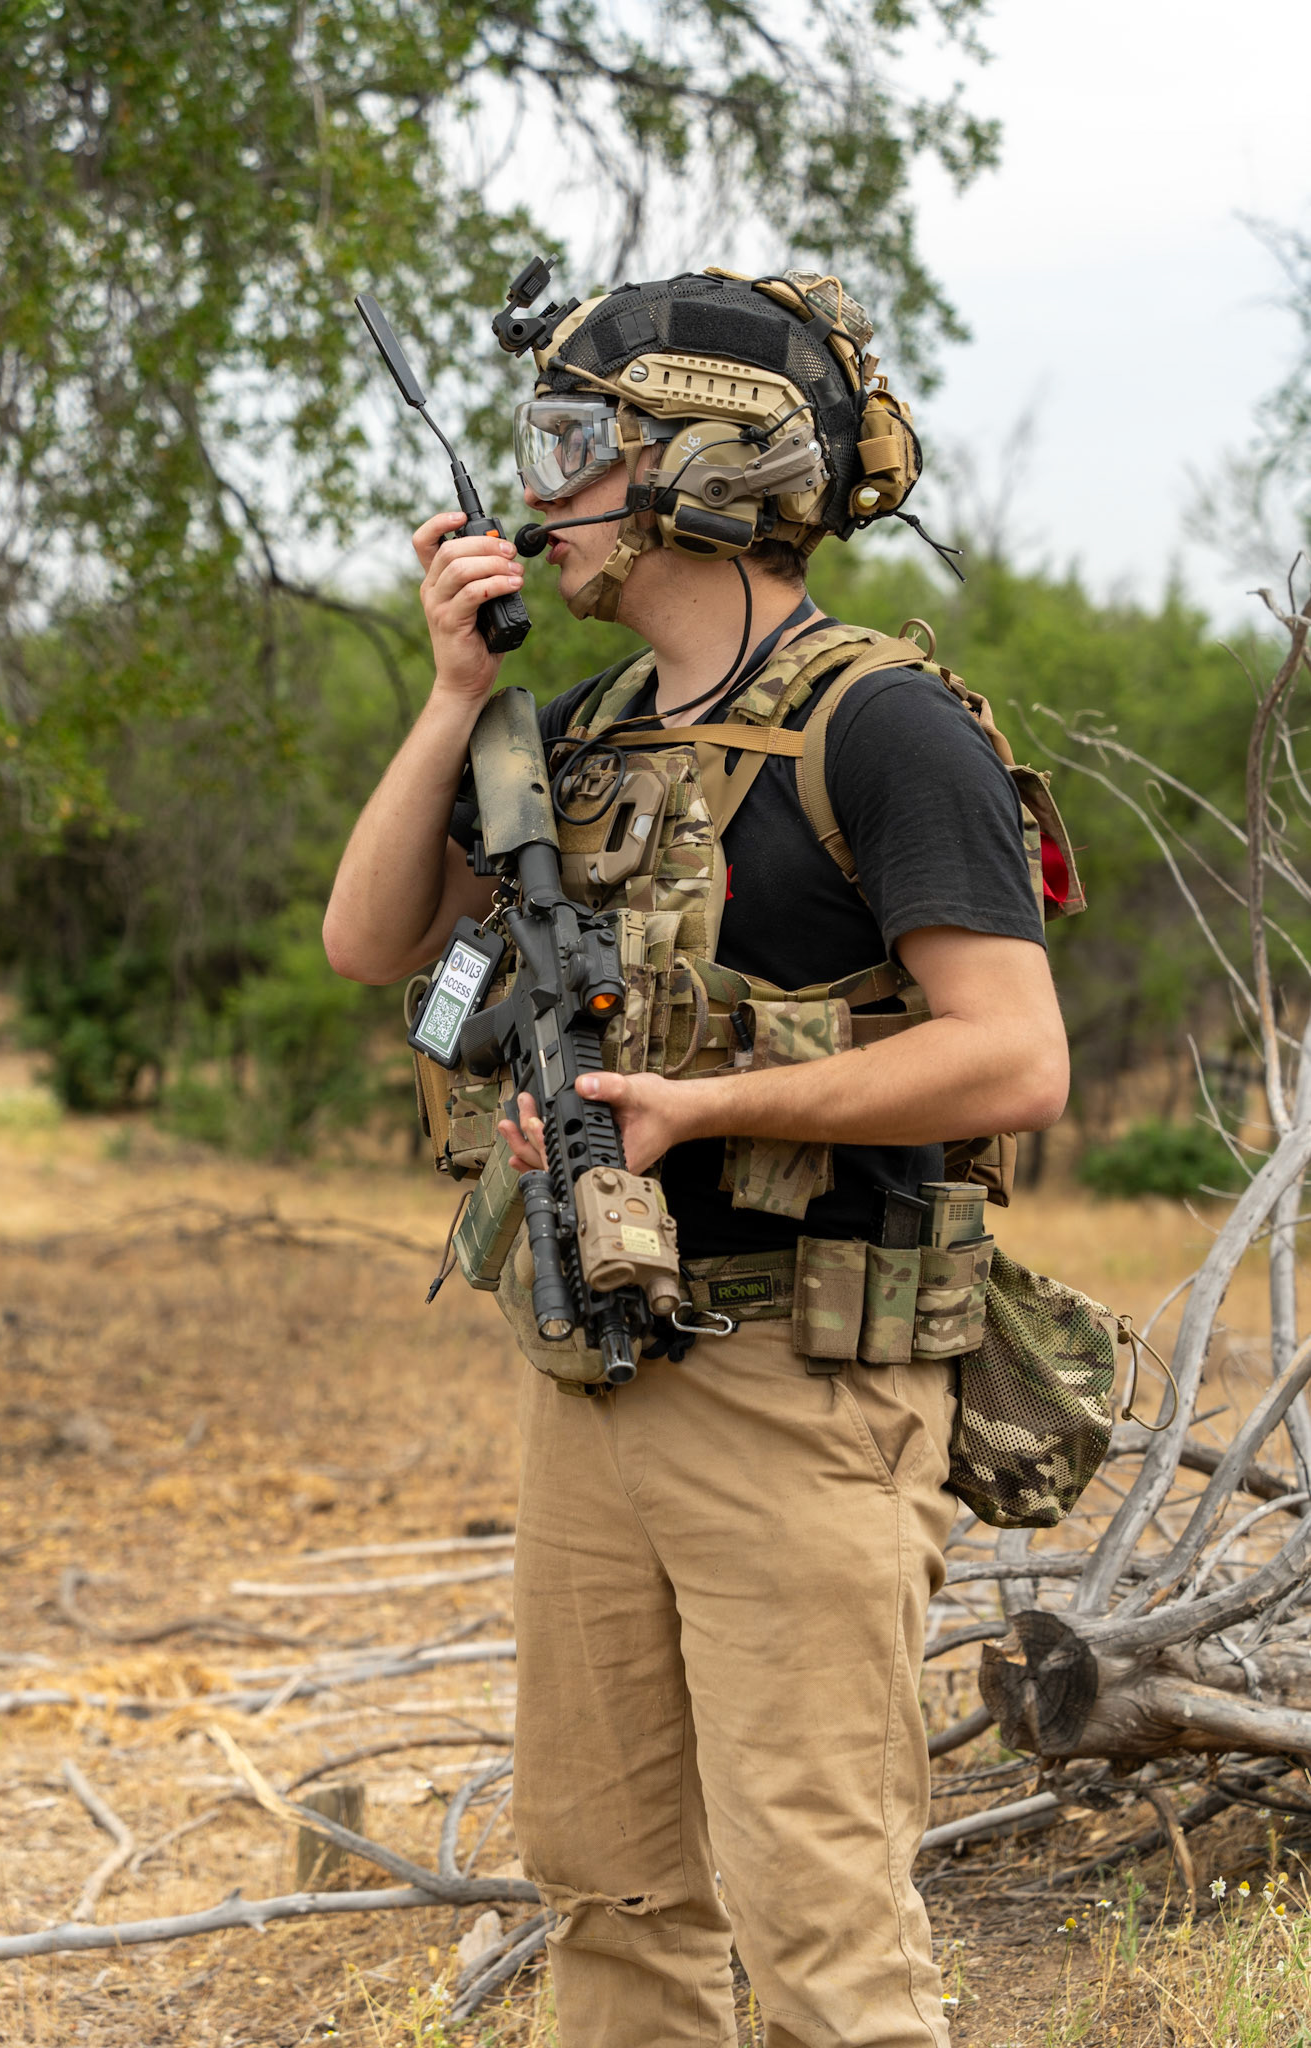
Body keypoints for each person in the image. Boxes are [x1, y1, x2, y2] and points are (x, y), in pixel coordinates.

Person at [324, 267, 1070, 2048]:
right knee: (612, 1892)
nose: (545, 492)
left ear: (702, 469)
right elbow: (370, 944)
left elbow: (1015, 1055)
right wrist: (451, 695)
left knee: (818, 1919)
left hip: (803, 1389)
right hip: (596, 1376)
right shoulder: (577, 734)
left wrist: (700, 1104)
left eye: (577, 445)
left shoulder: (880, 726)